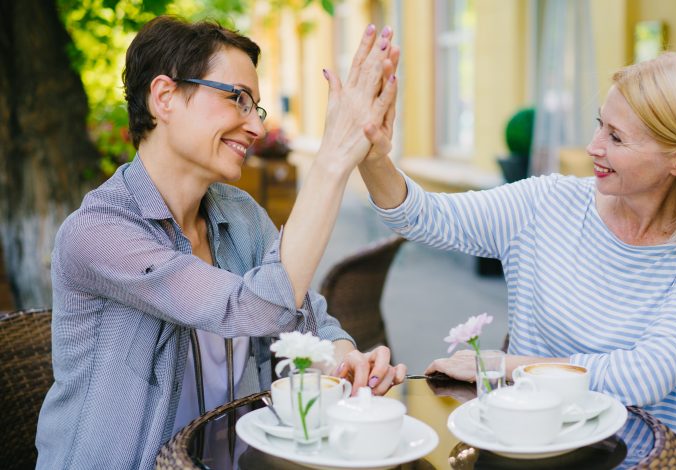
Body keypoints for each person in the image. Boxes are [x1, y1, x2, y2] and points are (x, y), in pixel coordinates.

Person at [36, 16, 405, 470]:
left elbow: (305, 318)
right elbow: (252, 307)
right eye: (238, 100)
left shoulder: (239, 213)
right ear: (165, 98)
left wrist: (346, 360)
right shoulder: (99, 232)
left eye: (257, 108)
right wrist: (332, 160)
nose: (254, 126)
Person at [358, 51, 676, 469]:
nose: (592, 147)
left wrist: (503, 366)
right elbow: (425, 218)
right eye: (601, 124)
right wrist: (374, 158)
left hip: (652, 458)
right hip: (531, 450)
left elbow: (644, 376)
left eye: (616, 138)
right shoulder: (547, 204)